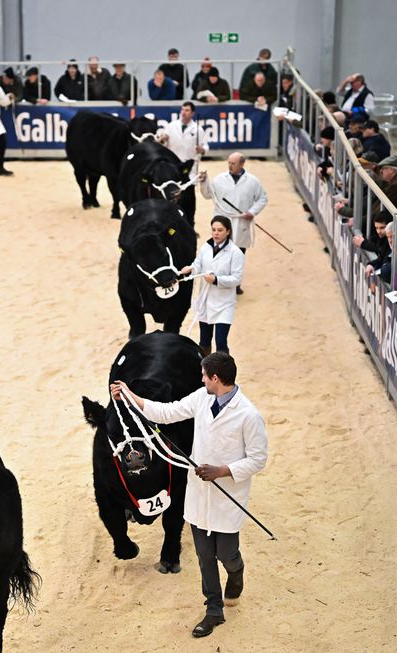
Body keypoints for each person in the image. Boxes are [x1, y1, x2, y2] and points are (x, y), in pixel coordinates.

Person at [109, 352, 268, 639]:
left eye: (205, 375)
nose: (202, 379)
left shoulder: (249, 415)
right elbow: (166, 412)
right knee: (205, 556)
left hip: (226, 495)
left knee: (226, 554)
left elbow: (258, 459)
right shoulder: (201, 398)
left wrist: (222, 470)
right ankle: (214, 609)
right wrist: (130, 397)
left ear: (216, 378)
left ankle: (237, 570)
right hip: (198, 496)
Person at [199, 153, 268, 294]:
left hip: (241, 221)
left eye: (233, 163)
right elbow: (207, 195)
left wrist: (252, 212)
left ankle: (235, 283)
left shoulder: (253, 181)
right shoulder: (219, 179)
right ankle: (217, 280)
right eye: (229, 162)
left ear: (242, 164)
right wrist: (204, 181)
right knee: (219, 252)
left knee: (238, 254)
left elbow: (262, 198)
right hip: (222, 221)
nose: (230, 166)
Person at [180, 217, 245, 354]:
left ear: (228, 231)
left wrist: (216, 280)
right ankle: (205, 372)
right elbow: (198, 263)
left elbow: (236, 279)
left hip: (224, 304)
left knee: (221, 341)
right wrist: (191, 268)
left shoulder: (236, 252)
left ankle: (225, 373)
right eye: (214, 230)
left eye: (220, 230)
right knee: (204, 341)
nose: (216, 233)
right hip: (206, 302)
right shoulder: (206, 247)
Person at [159, 101, 209, 223]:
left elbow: (205, 146)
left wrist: (202, 149)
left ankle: (190, 224)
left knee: (189, 199)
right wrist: (163, 139)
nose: (183, 112)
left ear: (192, 113)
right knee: (172, 197)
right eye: (182, 110)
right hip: (173, 167)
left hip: (189, 169)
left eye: (186, 110)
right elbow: (163, 142)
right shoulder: (171, 126)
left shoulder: (198, 130)